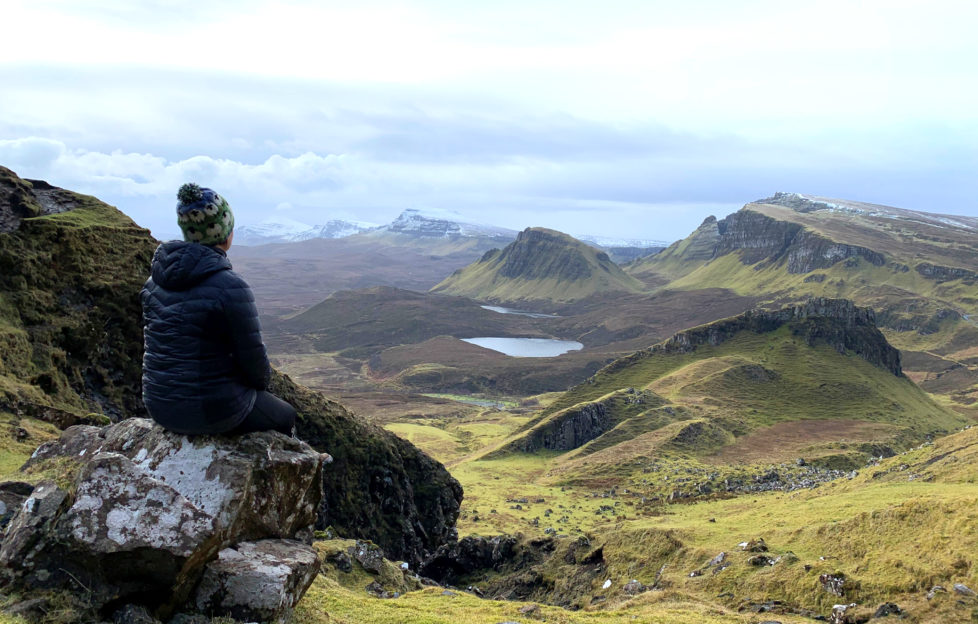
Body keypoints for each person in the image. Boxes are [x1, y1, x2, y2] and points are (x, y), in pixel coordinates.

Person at [140, 183, 296, 436]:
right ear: (225, 233)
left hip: (158, 406)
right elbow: (255, 367)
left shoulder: (153, 282)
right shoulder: (230, 287)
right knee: (285, 415)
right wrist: (254, 389)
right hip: (212, 412)